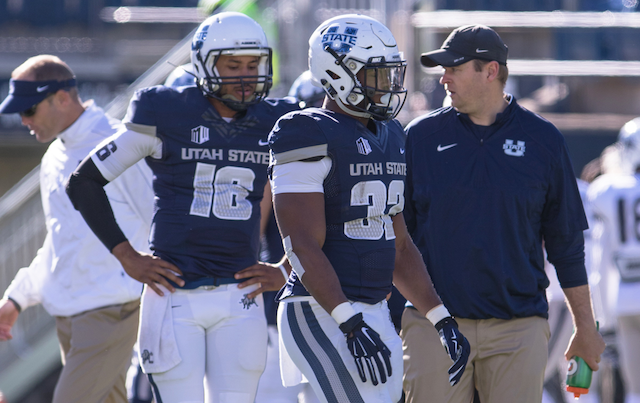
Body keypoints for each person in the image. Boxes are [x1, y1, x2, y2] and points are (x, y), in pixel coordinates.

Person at [65, 12, 299, 403]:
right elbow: (84, 181)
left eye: (253, 64)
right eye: (233, 65)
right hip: (173, 295)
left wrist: (289, 268)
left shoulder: (277, 121)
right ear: (206, 64)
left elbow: (325, 196)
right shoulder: (167, 114)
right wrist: (127, 256)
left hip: (239, 295)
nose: (246, 76)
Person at [268, 14, 470, 403]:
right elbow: (301, 245)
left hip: (373, 306)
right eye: (376, 76)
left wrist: (439, 317)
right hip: (319, 308)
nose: (388, 88)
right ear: (336, 72)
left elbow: (398, 245)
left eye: (392, 75)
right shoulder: (305, 130)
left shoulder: (392, 133)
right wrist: (348, 322)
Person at [401, 24, 606, 403]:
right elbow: (398, 242)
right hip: (434, 323)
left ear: (491, 71)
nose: (443, 78)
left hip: (518, 328)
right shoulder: (419, 138)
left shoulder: (543, 141)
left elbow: (566, 245)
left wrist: (584, 326)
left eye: (455, 68)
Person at [0, 55, 153, 403]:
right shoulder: (52, 157)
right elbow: (59, 241)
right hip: (69, 317)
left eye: (30, 110)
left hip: (112, 310)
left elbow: (156, 220)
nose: (23, 120)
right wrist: (17, 298)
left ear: (63, 98)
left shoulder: (120, 143)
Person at [588, 117, 640, 403]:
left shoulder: (607, 191)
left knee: (635, 388)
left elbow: (601, 260)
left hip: (625, 296)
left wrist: (602, 317)